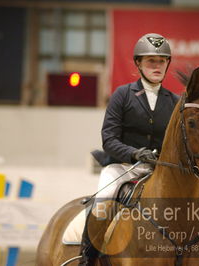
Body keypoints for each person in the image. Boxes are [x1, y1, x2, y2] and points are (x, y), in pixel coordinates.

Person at [78, 33, 179, 265]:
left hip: (160, 172)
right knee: (103, 199)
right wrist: (134, 153)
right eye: (151, 61)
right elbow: (109, 139)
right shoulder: (123, 95)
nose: (157, 66)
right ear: (138, 63)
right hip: (123, 167)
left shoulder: (175, 101)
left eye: (162, 61)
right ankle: (88, 256)